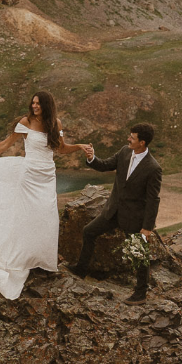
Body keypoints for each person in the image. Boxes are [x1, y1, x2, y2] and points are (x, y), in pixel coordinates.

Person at [0, 90, 73, 299]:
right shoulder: (26, 122)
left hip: (47, 176)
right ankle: (24, 259)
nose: (35, 106)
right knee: (26, 216)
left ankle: (44, 260)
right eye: (33, 103)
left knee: (47, 217)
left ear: (47, 105)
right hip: (29, 176)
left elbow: (62, 148)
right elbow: (5, 144)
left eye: (38, 103)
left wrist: (80, 147)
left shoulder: (55, 123)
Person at [69, 122, 163, 292]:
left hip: (133, 218)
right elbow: (104, 165)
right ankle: (80, 270)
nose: (128, 139)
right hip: (112, 211)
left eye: (132, 137)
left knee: (138, 254)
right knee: (88, 231)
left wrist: (147, 228)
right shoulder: (124, 151)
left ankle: (140, 292)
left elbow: (153, 200)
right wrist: (91, 157)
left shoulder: (153, 168)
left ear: (142, 142)